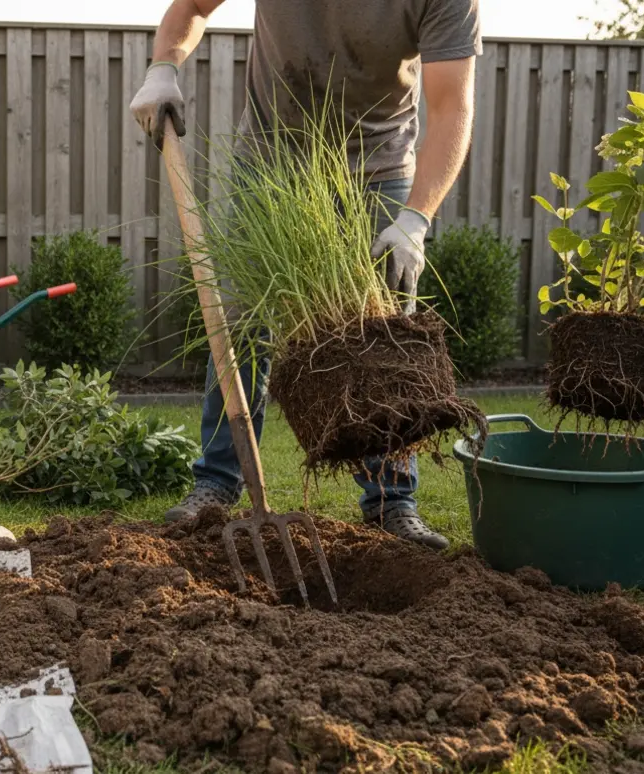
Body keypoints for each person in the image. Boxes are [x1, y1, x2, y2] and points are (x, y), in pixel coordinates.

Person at [129, 0, 480, 549]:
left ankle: (391, 501)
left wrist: (415, 218)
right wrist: (163, 66)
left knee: (382, 333)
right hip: (269, 165)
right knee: (242, 325)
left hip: (378, 166)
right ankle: (218, 483)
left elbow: (452, 105)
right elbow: (193, 7)